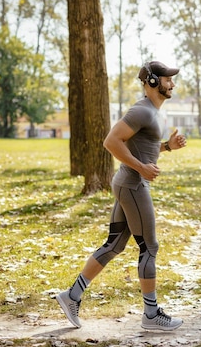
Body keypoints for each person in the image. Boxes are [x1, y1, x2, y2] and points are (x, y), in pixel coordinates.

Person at [57, 61, 187, 331]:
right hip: (133, 184)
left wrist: (167, 147)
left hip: (127, 182)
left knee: (115, 245)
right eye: (166, 79)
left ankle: (71, 296)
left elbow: (141, 146)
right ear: (152, 81)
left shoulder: (153, 112)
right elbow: (111, 141)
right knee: (149, 247)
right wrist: (141, 168)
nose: (172, 84)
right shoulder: (141, 111)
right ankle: (151, 315)